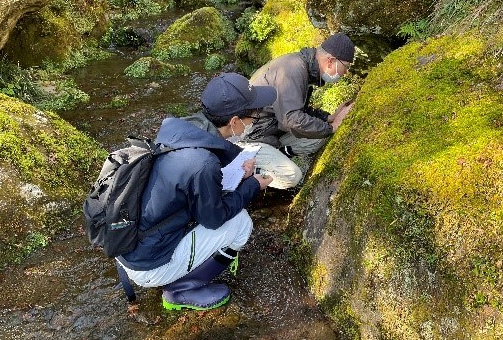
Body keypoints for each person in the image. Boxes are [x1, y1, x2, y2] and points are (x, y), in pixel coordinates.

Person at [116, 73, 275, 311]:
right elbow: (214, 219)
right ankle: (181, 289)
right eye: (253, 115)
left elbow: (188, 185)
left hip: (128, 244)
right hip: (148, 265)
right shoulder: (203, 163)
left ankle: (184, 270)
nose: (254, 120)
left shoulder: (179, 132)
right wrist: (253, 185)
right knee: (240, 223)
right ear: (234, 122)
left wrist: (238, 175)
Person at [244, 32, 356, 158]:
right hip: (252, 136)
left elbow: (296, 108)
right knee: (317, 137)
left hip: (268, 126)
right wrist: (332, 127)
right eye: (345, 67)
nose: (346, 72)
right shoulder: (293, 70)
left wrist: (329, 117)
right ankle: (276, 155)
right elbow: (291, 119)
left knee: (317, 131)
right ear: (330, 61)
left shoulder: (301, 66)